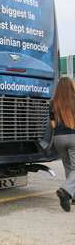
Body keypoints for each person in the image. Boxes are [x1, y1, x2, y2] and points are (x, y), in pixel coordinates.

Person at [49, 77, 75, 212]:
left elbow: (53, 125)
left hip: (59, 138)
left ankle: (73, 195)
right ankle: (65, 191)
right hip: (73, 136)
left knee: (68, 167)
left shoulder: (53, 103)